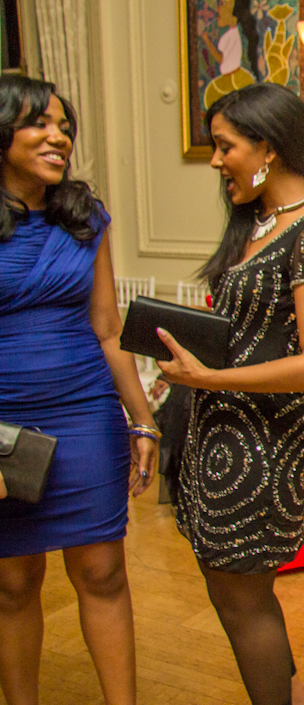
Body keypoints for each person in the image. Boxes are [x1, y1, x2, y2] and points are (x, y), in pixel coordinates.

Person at [155, 82, 304, 705]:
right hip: (218, 438)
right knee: (231, 595)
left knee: (244, 602)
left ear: (268, 147)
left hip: (262, 448)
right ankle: (299, 699)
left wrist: (209, 379)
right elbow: (252, 336)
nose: (216, 161)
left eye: (225, 146)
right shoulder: (256, 226)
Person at [0, 75, 159, 705]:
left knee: (102, 571)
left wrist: (142, 418)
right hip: (5, 421)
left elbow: (108, 327)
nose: (58, 137)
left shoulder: (85, 217)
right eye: (39, 123)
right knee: (13, 583)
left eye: (64, 126)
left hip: (86, 412)